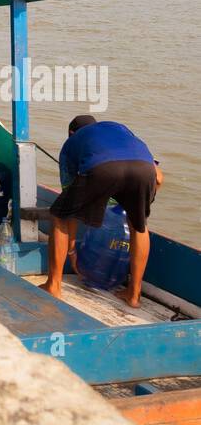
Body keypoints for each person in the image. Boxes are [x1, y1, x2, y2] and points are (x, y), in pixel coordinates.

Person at [41, 115, 163, 308]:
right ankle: (134, 294)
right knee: (139, 225)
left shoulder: (71, 143)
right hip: (145, 169)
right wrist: (137, 206)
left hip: (103, 167)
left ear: (71, 133)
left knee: (59, 216)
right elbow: (159, 179)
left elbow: (70, 212)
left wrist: (72, 251)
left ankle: (53, 286)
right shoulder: (119, 128)